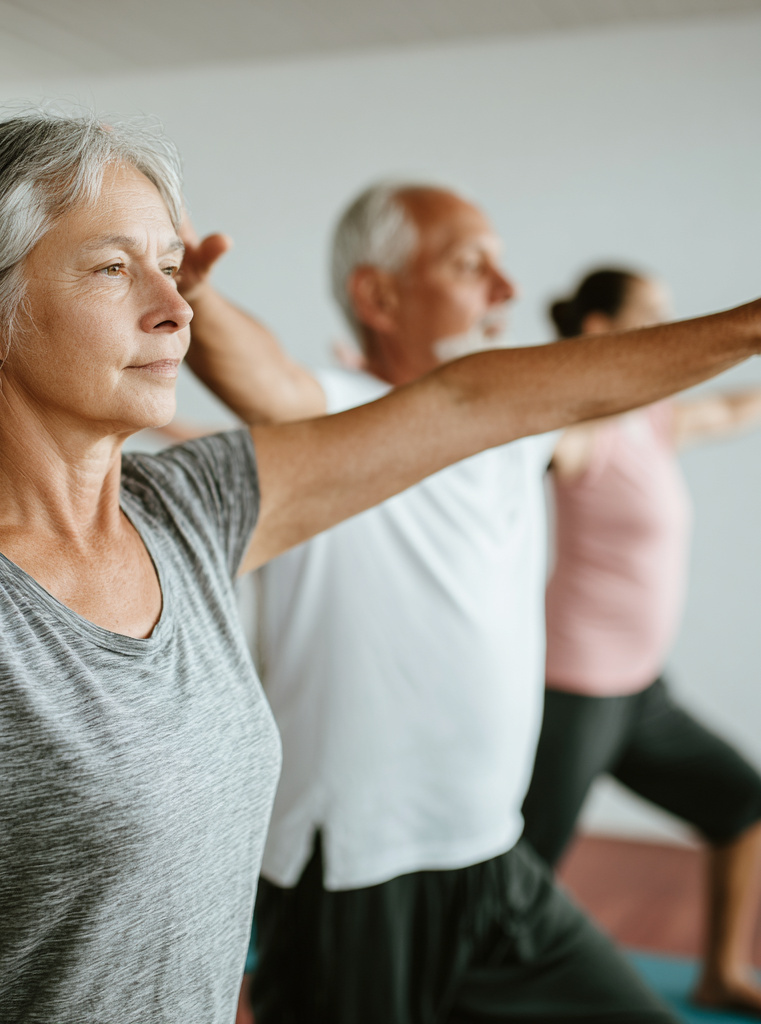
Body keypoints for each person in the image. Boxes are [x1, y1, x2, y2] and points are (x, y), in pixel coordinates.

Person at [0, 127, 757, 1024]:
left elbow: (466, 405)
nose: (174, 311)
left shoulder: (193, 511)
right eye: (109, 269)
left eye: (170, 269)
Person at [176, 182, 760, 1023]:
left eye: (501, 264)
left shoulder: (516, 419)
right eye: (468, 264)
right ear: (378, 296)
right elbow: (268, 382)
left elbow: (622, 384)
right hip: (356, 877)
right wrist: (193, 298)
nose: (506, 291)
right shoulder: (334, 415)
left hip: (491, 860)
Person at [522, 268, 761, 1014]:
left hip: (643, 692)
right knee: (521, 874)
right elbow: (529, 445)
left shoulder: (654, 423)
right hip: (576, 689)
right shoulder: (584, 433)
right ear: (599, 330)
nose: (669, 325)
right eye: (652, 314)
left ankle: (719, 973)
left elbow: (733, 406)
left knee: (741, 803)